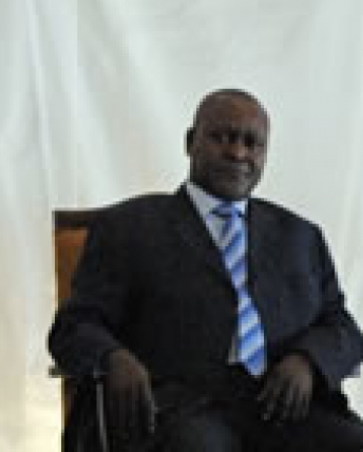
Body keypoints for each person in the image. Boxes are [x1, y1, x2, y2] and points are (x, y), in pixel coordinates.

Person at [49, 89, 363, 452]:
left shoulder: (300, 236)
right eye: (223, 137)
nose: (238, 153)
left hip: (281, 406)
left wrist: (308, 361)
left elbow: (341, 326)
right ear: (189, 142)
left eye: (252, 142)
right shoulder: (129, 227)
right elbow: (74, 325)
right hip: (175, 410)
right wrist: (112, 357)